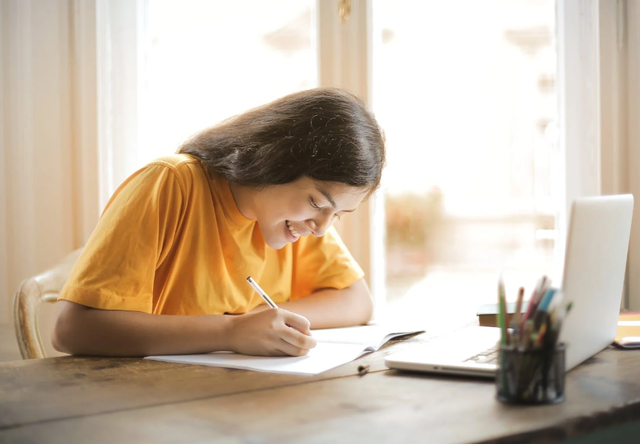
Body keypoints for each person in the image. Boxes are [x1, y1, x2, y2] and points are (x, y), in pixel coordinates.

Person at [52, 87, 386, 358]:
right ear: (275, 161)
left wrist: (263, 322)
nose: (322, 228)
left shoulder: (299, 222)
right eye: (316, 203)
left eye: (337, 215)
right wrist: (231, 332)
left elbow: (357, 301)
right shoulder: (170, 183)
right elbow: (72, 329)